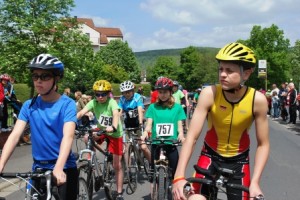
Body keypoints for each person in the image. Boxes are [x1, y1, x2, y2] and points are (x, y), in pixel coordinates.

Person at [172, 42, 269, 200]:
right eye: (221, 69)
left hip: (239, 161)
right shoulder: (209, 93)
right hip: (210, 156)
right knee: (192, 198)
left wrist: (255, 182)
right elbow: (192, 137)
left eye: (229, 71)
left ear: (246, 74)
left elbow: (263, 144)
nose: (223, 74)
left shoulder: (257, 100)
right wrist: (179, 176)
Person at [0, 54, 78, 200]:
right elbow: (15, 136)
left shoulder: (67, 104)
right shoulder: (29, 105)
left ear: (57, 78)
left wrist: (59, 167)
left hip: (64, 167)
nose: (38, 81)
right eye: (35, 76)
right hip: (39, 169)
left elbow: (68, 136)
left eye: (45, 76)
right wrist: (1, 163)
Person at [77, 80, 124, 200]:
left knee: (117, 165)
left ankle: (119, 192)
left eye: (103, 94)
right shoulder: (93, 102)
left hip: (114, 133)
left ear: (108, 94)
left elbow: (116, 114)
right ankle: (93, 165)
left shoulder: (112, 102)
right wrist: (70, 122)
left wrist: (113, 126)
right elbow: (82, 112)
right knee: (87, 137)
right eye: (97, 94)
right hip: (101, 129)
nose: (100, 97)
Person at [140, 77, 186, 197]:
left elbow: (179, 126)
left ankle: (174, 188)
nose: (163, 95)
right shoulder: (153, 107)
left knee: (175, 170)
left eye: (165, 92)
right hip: (156, 142)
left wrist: (181, 135)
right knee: (153, 170)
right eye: (160, 92)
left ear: (171, 92)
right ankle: (155, 190)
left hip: (171, 143)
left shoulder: (177, 108)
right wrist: (145, 133)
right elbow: (149, 124)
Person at [118, 80, 151, 162]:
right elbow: (119, 112)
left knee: (143, 146)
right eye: (124, 92)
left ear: (132, 91)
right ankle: (128, 169)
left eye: (129, 92)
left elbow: (140, 110)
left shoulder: (137, 97)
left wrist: (140, 123)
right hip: (128, 123)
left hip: (137, 122)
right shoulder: (122, 100)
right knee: (127, 146)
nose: (127, 94)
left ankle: (151, 164)